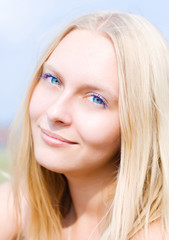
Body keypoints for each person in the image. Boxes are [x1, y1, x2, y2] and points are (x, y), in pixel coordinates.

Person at [0, 11, 169, 240]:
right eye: (53, 80)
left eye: (96, 99)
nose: (55, 112)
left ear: (139, 125)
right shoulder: (18, 206)